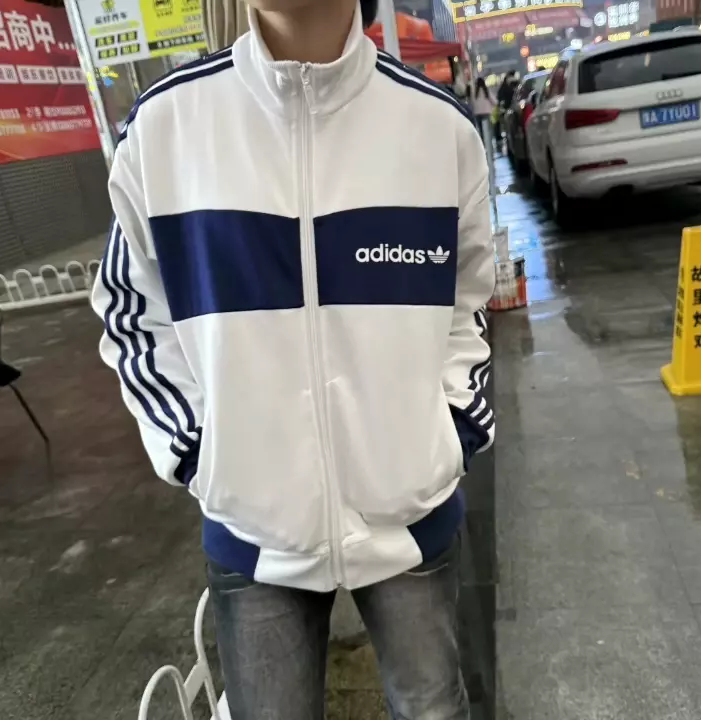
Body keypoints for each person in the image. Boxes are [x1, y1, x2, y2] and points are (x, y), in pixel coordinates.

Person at [91, 0, 495, 718]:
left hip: (412, 516)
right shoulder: (166, 128)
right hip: (254, 534)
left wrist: (454, 426)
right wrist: (198, 451)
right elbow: (131, 312)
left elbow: (469, 301)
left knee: (435, 709)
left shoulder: (439, 129)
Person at [471, 76, 496, 144]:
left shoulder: (474, 92)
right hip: (486, 113)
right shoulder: (486, 90)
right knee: (487, 130)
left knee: (480, 130)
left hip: (477, 113)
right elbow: (494, 101)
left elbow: (472, 103)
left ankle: (483, 143)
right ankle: (488, 143)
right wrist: (493, 107)